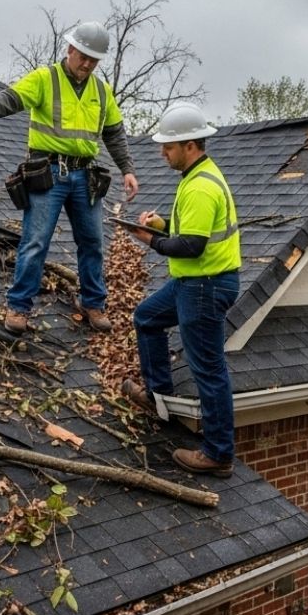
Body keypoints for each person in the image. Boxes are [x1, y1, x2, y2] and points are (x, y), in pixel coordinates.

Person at [0, 21, 139, 334]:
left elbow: (114, 133)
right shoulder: (46, 78)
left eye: (93, 60)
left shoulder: (101, 90)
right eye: (82, 56)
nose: (86, 63)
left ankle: (93, 303)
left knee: (92, 242)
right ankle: (19, 308)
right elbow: (12, 98)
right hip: (48, 173)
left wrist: (128, 170)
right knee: (35, 241)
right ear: (70, 49)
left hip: (85, 174)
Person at [121, 102, 240, 478]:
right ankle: (158, 398)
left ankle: (218, 453)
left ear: (190, 145)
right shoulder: (196, 177)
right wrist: (163, 223)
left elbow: (192, 245)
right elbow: (189, 228)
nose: (162, 152)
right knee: (147, 317)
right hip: (194, 283)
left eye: (168, 146)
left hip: (205, 285)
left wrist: (149, 239)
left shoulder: (201, 186)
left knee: (208, 368)